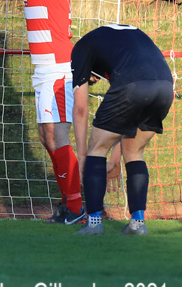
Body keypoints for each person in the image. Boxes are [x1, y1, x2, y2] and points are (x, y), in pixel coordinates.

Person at [14, 0, 84, 225]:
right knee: (46, 136)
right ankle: (71, 202)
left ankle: (78, 206)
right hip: (44, 71)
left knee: (57, 136)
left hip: (58, 69)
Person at [71, 24, 174, 235]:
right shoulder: (126, 37)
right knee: (134, 151)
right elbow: (125, 121)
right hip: (165, 86)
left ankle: (94, 223)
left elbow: (80, 109)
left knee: (96, 149)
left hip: (132, 84)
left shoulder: (80, 48)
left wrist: (82, 157)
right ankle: (137, 224)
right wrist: (115, 158)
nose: (95, 81)